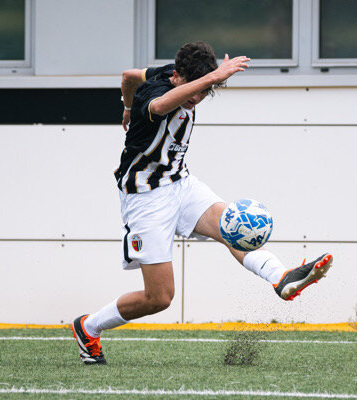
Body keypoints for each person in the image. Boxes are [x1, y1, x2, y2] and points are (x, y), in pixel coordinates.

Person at [71, 41, 333, 365]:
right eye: (195, 90)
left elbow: (127, 75)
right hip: (145, 198)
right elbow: (162, 102)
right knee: (160, 298)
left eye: (205, 92)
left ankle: (281, 278)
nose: (197, 99)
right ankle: (88, 327)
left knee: (232, 226)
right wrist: (133, 106)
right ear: (178, 75)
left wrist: (122, 107)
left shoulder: (170, 73)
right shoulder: (153, 95)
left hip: (180, 183)